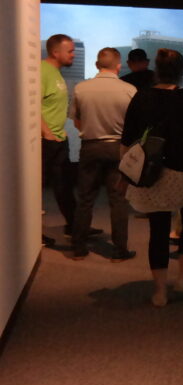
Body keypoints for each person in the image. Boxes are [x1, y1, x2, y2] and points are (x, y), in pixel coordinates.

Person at [121, 49, 183, 307]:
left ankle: (160, 291)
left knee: (159, 230)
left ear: (156, 70)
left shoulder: (142, 98)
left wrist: (125, 172)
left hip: (154, 173)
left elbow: (127, 139)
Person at [69, 47, 137, 261]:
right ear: (118, 66)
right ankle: (119, 251)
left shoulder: (81, 88)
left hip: (90, 146)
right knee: (118, 200)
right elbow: (133, 125)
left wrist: (88, 130)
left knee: (85, 198)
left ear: (97, 65)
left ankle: (78, 248)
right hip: (117, 148)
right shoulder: (129, 90)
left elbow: (76, 119)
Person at [40, 33, 89, 247]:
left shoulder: (55, 73)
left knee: (64, 186)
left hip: (58, 139)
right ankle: (32, 233)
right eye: (70, 51)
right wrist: (46, 132)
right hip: (46, 141)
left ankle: (76, 226)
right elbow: (31, 103)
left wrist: (59, 132)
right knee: (39, 188)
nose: (74, 54)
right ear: (55, 51)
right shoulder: (43, 72)